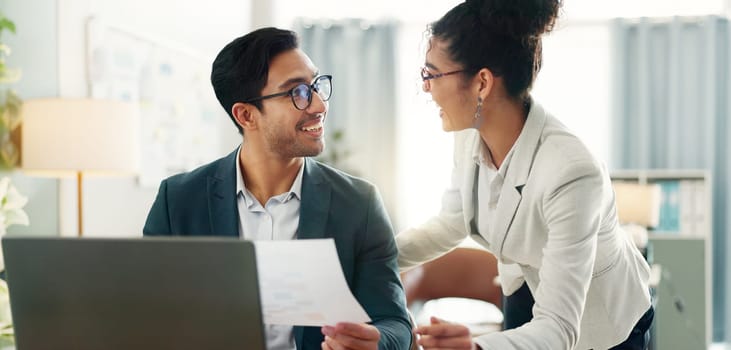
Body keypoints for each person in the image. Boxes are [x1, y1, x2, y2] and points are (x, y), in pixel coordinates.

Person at [395, 1, 654, 349]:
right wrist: (374, 256)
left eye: (432, 74)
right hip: (522, 289)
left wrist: (474, 346)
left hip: (599, 320)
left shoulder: (572, 172)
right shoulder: (469, 133)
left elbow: (559, 328)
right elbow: (454, 221)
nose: (425, 88)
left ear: (482, 83)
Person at [143, 27, 411, 350]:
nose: (319, 105)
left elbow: (395, 321)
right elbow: (150, 317)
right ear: (246, 115)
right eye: (297, 92)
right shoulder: (178, 202)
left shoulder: (359, 204)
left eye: (315, 86)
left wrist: (375, 343)